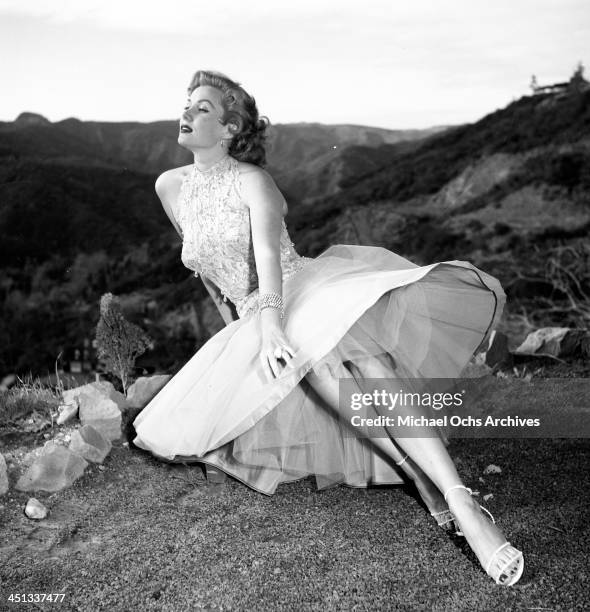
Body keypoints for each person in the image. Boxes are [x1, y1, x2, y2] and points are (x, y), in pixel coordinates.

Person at [132, 70, 524, 586]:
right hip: (253, 313)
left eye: (202, 108)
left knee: (350, 366)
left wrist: (274, 324)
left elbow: (269, 257)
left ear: (229, 130)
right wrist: (237, 340)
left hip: (301, 287)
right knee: (315, 394)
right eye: (187, 103)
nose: (186, 112)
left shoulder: (254, 182)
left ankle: (463, 505)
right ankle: (419, 478)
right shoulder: (169, 186)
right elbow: (208, 274)